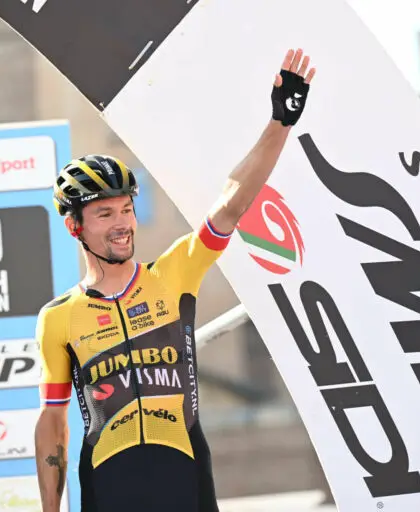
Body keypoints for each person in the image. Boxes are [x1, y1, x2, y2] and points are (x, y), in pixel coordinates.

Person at [34, 47, 316, 511]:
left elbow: (231, 203)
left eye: (126, 209)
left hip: (183, 476)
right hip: (109, 486)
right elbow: (52, 422)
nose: (122, 223)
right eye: (104, 214)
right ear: (74, 226)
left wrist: (279, 124)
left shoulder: (173, 274)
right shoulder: (58, 318)